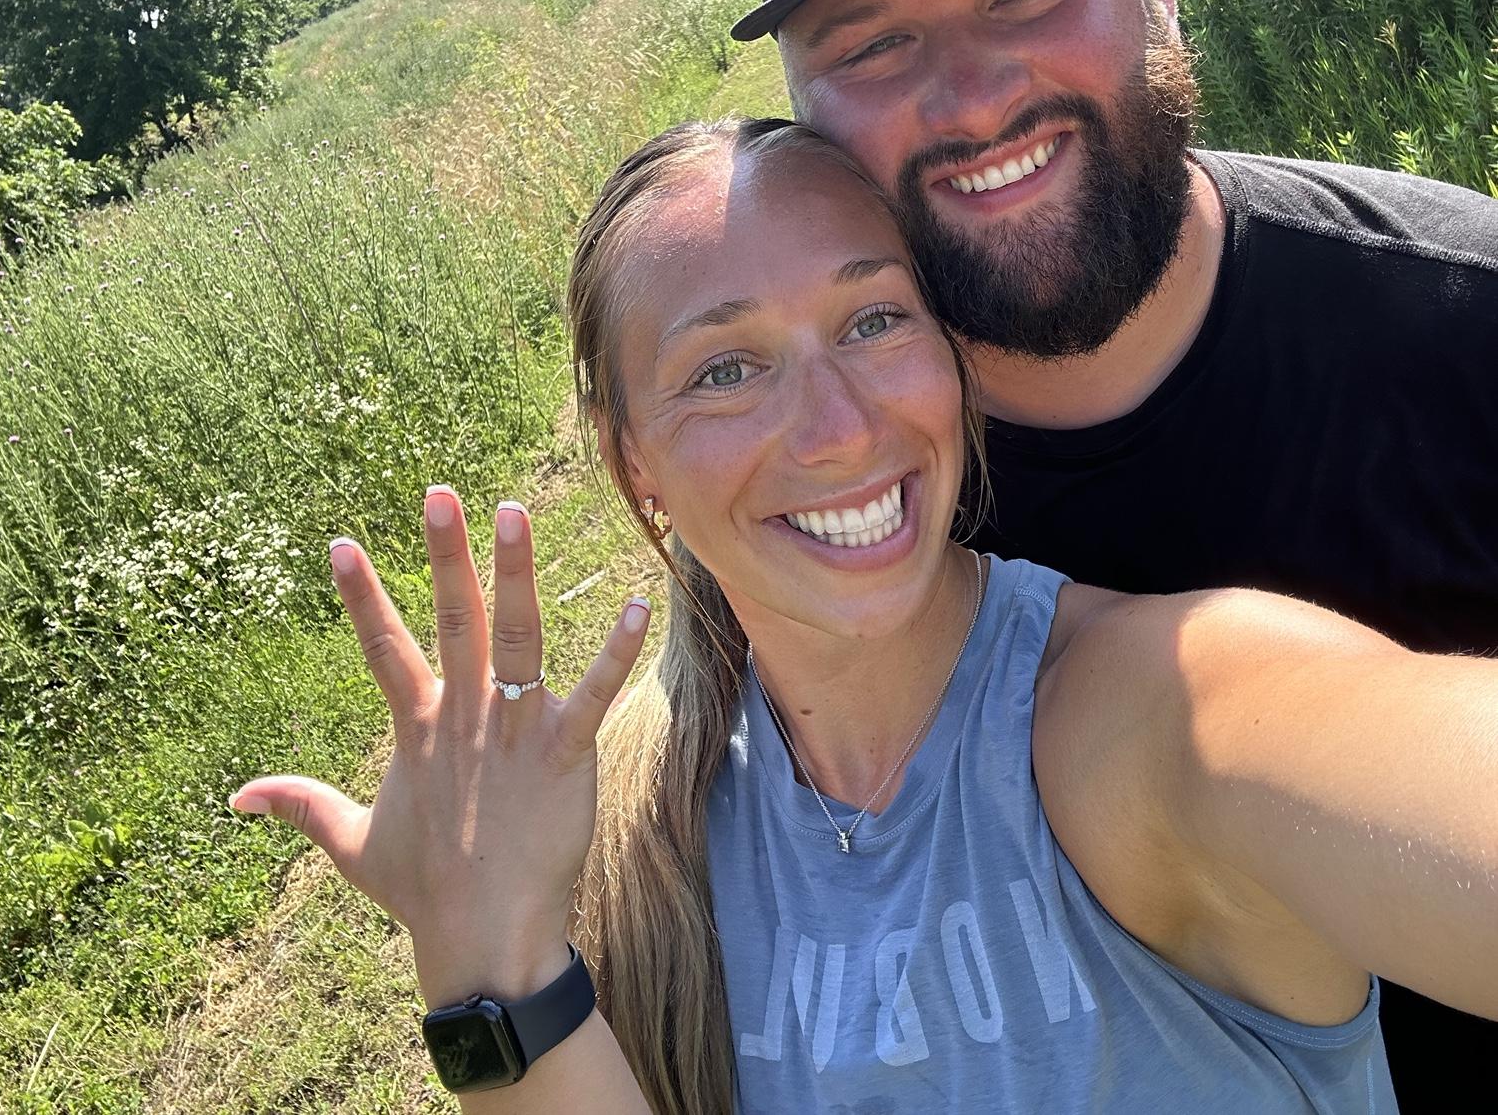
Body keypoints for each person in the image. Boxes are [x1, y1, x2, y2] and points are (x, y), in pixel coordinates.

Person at [230, 117, 1498, 1113]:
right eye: (727, 370)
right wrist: (489, 956)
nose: (838, 430)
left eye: (874, 319)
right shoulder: (637, 839)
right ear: (634, 463)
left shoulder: (1158, 715)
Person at [728, 0, 1498, 1099]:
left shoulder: (1467, 328)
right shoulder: (828, 497)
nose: (973, 100)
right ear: (800, 110)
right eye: (876, 44)